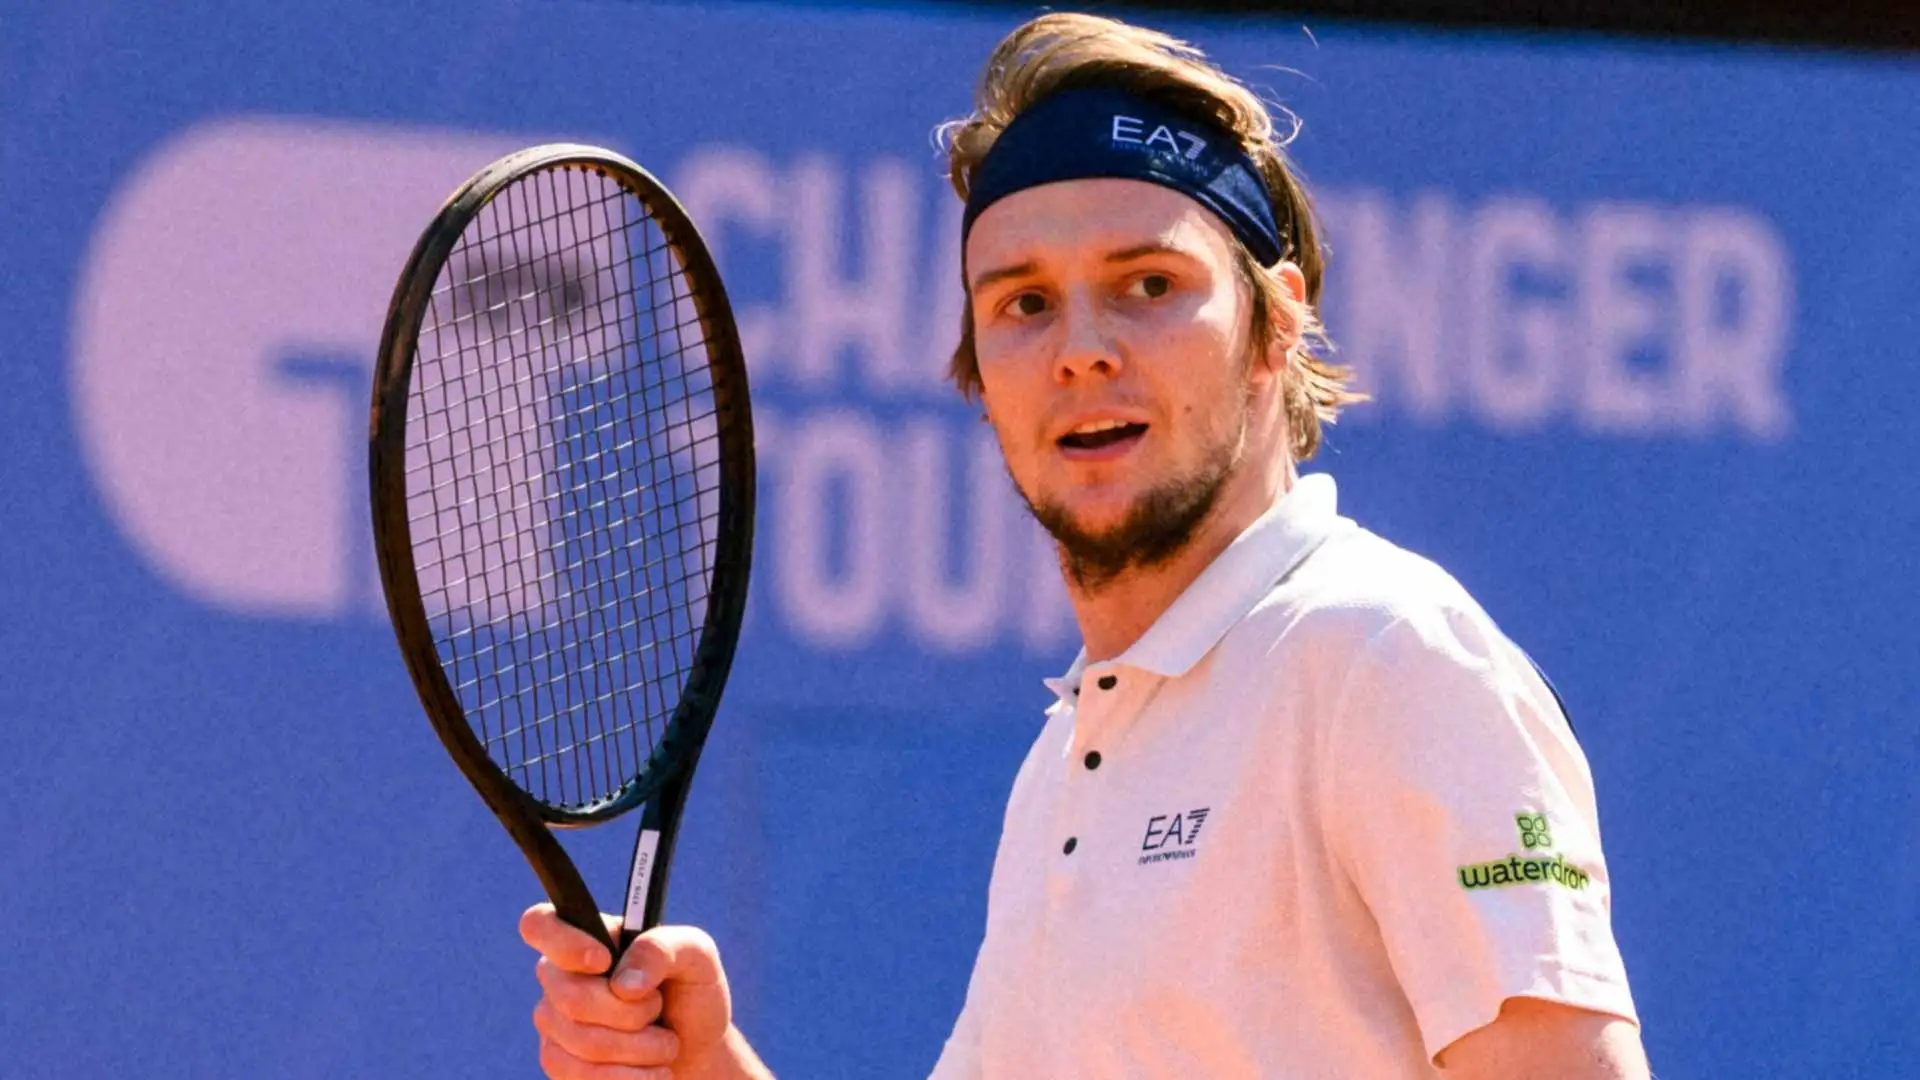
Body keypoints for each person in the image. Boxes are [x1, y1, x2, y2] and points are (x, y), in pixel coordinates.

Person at [520, 12, 1649, 1078]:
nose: (1082, 350)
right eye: (1024, 304)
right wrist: (704, 1065)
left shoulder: (1387, 656)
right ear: (978, 371)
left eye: (1148, 284)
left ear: (1277, 324)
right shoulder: (1071, 758)